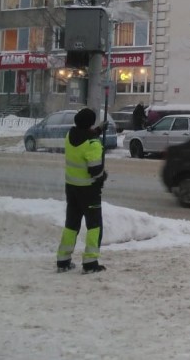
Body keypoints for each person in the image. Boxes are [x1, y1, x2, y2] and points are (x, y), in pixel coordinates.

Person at [56, 107, 108, 274]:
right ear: (89, 124)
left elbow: (83, 137)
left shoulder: (69, 137)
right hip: (89, 191)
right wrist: (103, 176)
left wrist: (99, 130)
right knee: (94, 226)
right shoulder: (93, 144)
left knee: (71, 224)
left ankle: (63, 260)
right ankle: (90, 263)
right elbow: (95, 170)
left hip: (71, 188)